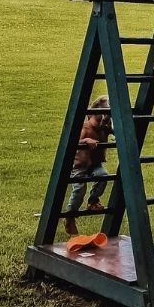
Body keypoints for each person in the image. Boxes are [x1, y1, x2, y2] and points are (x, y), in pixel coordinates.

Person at [64, 95, 113, 235]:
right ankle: (70, 216)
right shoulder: (85, 128)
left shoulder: (104, 127)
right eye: (101, 118)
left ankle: (93, 201)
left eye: (107, 118)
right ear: (92, 114)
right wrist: (85, 140)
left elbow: (115, 128)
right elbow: (72, 143)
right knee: (79, 190)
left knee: (102, 176)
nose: (103, 122)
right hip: (80, 165)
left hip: (94, 164)